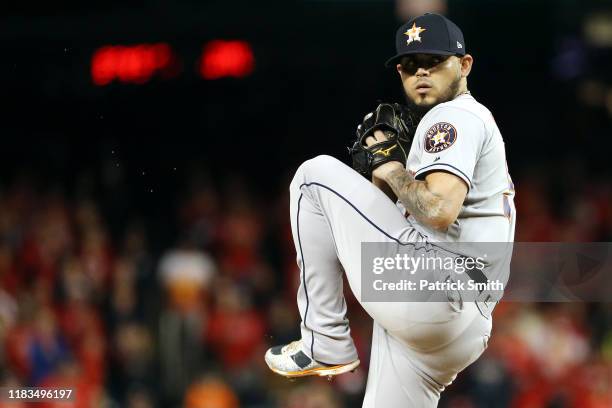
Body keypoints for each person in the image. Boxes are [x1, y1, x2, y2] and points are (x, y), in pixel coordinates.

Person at [265, 12, 515, 407]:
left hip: (437, 289)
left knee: (313, 178)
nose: (421, 73)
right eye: (410, 65)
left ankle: (325, 339)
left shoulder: (454, 115)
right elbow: (393, 219)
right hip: (458, 325)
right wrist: (385, 179)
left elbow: (438, 210)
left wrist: (392, 169)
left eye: (434, 62)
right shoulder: (452, 126)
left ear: (465, 65)